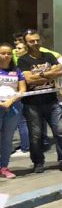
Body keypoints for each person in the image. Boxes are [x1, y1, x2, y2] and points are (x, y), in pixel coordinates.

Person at [18, 30, 62, 173]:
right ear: (26, 43)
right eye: (31, 41)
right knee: (36, 135)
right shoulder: (23, 60)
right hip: (32, 104)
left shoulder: (49, 56)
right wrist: (49, 74)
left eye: (37, 40)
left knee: (60, 132)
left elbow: (60, 71)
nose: (35, 43)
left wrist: (39, 75)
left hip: (52, 101)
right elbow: (28, 79)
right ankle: (38, 162)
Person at [0, 44, 26, 179]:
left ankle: (4, 167)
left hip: (14, 107)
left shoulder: (17, 71)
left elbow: (22, 90)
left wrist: (11, 101)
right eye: (3, 53)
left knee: (7, 138)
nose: (6, 56)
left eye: (9, 53)